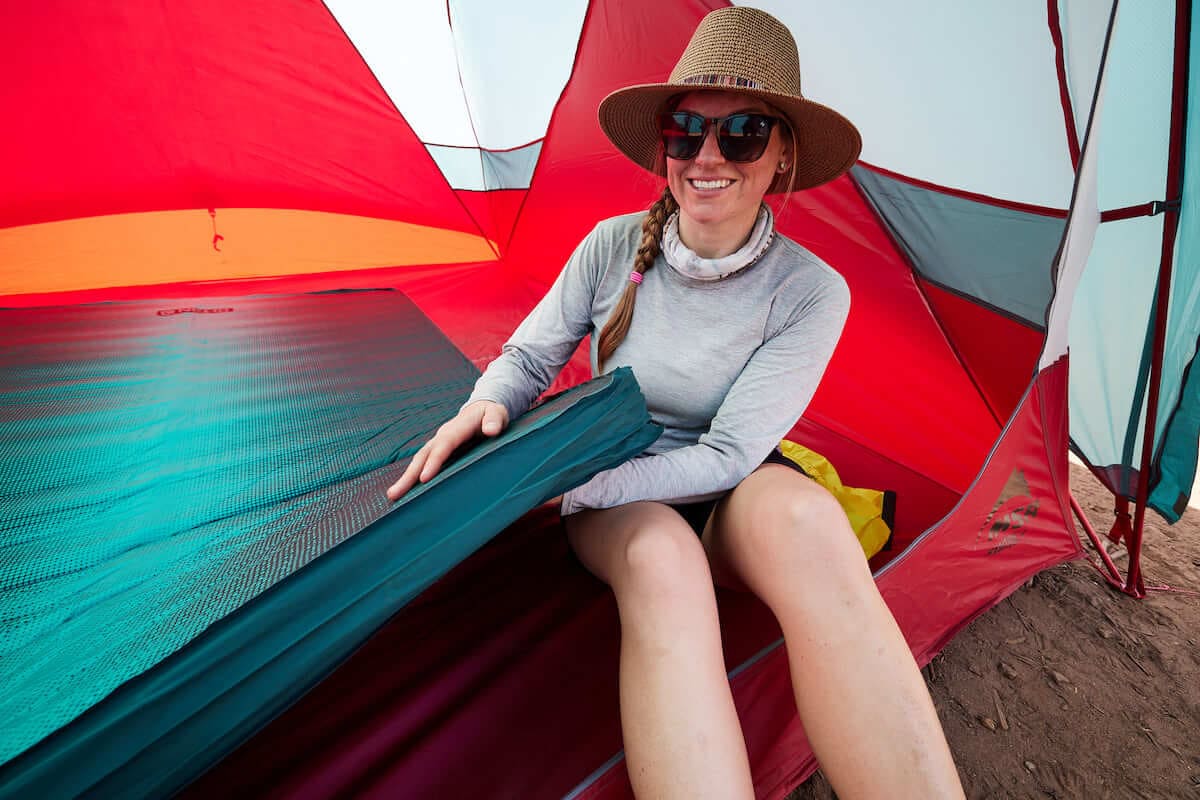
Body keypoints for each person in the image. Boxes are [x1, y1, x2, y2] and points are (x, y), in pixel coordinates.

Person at [387, 7, 964, 799]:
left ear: (783, 153)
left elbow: (729, 456)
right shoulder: (610, 246)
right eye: (687, 129)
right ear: (666, 143)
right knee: (665, 561)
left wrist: (575, 489)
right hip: (621, 475)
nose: (707, 156)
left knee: (813, 524)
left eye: (744, 133)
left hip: (720, 479)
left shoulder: (810, 292)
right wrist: (479, 409)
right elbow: (527, 357)